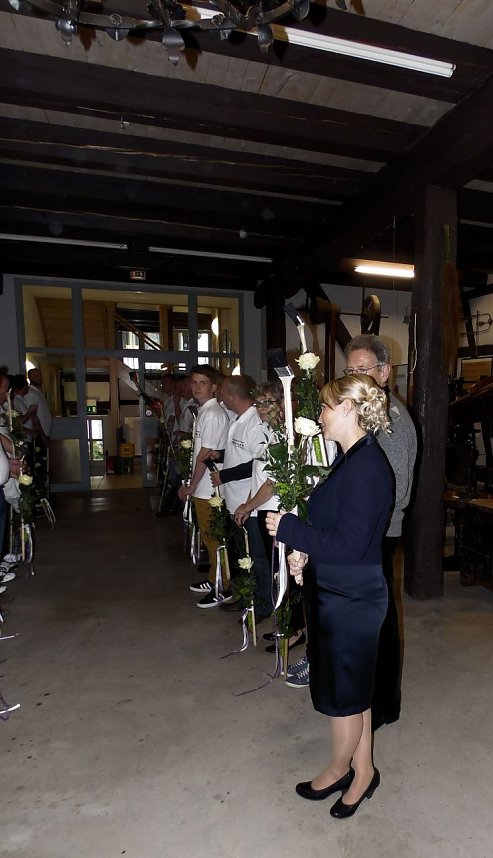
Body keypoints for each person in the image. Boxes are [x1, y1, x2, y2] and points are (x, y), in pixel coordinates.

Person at [266, 375, 393, 819]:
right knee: (354, 691)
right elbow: (334, 527)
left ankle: (340, 770)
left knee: (343, 698)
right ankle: (364, 771)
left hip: (351, 599)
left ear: (348, 409)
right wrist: (305, 553)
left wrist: (289, 529)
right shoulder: (350, 458)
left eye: (324, 407)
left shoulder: (368, 467)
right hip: (338, 591)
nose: (319, 416)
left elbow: (351, 545)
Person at [344, 334, 417, 729]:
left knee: (380, 623)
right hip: (367, 532)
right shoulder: (368, 413)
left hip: (380, 534)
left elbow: (398, 491)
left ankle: (384, 705)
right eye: (349, 370)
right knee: (374, 620)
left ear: (385, 372)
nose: (354, 376)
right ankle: (376, 701)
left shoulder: (392, 421)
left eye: (363, 369)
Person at [177, 365, 231, 607]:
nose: (197, 387)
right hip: (203, 486)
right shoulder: (205, 411)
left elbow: (205, 454)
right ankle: (214, 578)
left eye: (203, 383)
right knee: (209, 538)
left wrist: (191, 485)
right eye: (194, 382)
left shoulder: (212, 414)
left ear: (214, 387)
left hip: (209, 487)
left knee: (214, 539)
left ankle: (223, 586)